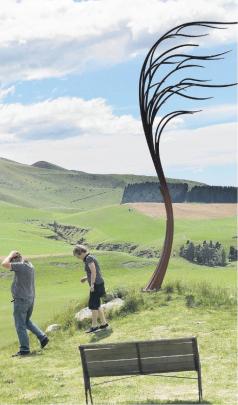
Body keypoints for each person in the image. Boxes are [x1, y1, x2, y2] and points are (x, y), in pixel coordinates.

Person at [1, 250, 49, 357]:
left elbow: (4, 264)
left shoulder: (21, 266)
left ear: (15, 259)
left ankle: (24, 349)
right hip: (29, 299)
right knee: (26, 321)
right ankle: (42, 337)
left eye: (13, 260)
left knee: (20, 325)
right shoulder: (30, 266)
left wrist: (10, 255)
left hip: (21, 300)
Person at [73, 244, 109, 333]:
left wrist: (92, 285)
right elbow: (93, 271)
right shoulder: (89, 257)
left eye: (77, 256)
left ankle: (94, 326)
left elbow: (93, 271)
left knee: (93, 306)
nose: (77, 258)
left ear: (80, 252)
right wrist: (86, 278)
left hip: (96, 285)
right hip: (98, 283)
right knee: (97, 305)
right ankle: (104, 323)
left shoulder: (89, 259)